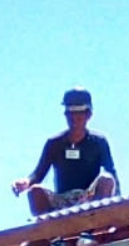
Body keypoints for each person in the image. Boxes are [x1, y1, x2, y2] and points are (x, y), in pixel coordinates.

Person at [13, 87, 119, 217]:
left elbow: (112, 174)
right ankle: (50, 234)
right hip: (60, 202)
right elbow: (38, 174)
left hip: (89, 201)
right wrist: (26, 182)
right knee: (35, 191)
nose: (74, 120)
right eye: (71, 115)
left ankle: (94, 225)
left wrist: (119, 208)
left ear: (88, 115)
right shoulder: (54, 143)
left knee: (107, 180)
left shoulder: (98, 142)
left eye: (79, 116)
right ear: (65, 115)